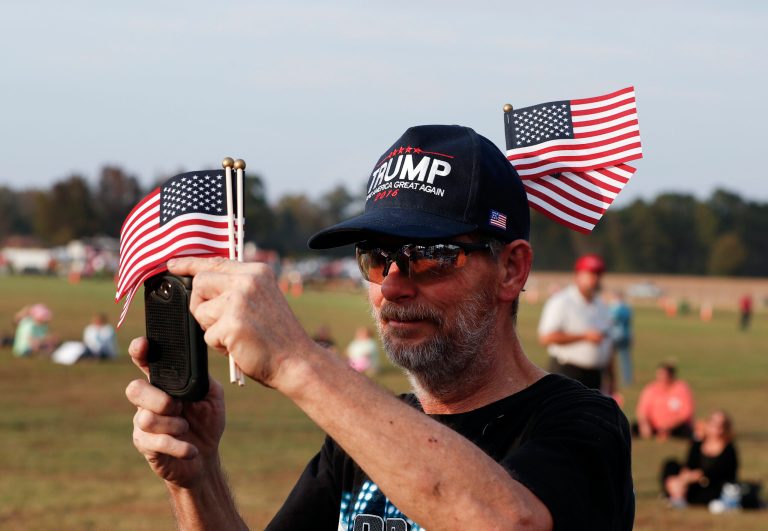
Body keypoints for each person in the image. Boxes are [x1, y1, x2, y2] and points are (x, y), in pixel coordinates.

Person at [125, 125, 634, 530]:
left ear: (510, 270)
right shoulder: (360, 438)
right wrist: (198, 480)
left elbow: (509, 522)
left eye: (429, 256)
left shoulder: (581, 423)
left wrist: (297, 360)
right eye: (375, 257)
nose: (391, 285)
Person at [537, 254, 613, 391]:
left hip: (595, 375)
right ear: (577, 276)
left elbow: (609, 344)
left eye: (598, 274)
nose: (595, 279)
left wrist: (612, 378)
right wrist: (584, 337)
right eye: (590, 274)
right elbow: (546, 337)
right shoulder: (561, 301)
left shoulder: (602, 305)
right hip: (567, 371)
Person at [661, 410, 738, 507]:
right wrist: (686, 477)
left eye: (719, 424)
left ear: (724, 428)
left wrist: (697, 477)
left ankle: (678, 498)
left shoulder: (728, 450)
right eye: (712, 421)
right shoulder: (698, 443)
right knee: (671, 465)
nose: (714, 426)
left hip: (710, 485)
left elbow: (719, 473)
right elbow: (690, 464)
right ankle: (677, 496)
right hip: (691, 481)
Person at [633, 363, 695, 440]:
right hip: (654, 426)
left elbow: (686, 413)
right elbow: (642, 410)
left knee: (685, 431)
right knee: (632, 427)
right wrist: (644, 424)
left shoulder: (681, 389)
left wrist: (668, 427)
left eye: (664, 376)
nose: (661, 378)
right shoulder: (651, 389)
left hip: (676, 427)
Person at [608, 290, 633, 386]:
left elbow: (611, 321)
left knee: (610, 360)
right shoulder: (627, 309)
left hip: (615, 336)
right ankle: (627, 380)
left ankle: (611, 379)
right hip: (626, 335)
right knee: (625, 359)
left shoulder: (614, 308)